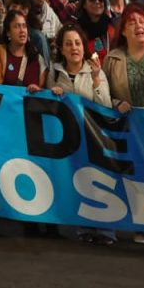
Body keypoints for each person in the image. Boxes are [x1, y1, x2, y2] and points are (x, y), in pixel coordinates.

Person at [47, 23, 114, 245]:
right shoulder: (55, 72)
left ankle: (106, 231)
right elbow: (49, 107)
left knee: (99, 184)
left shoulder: (97, 71)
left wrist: (96, 81)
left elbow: (105, 106)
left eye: (77, 43)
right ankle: (84, 228)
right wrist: (53, 94)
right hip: (69, 140)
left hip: (94, 138)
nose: (73, 48)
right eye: (68, 44)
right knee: (78, 183)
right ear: (61, 48)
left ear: (84, 47)